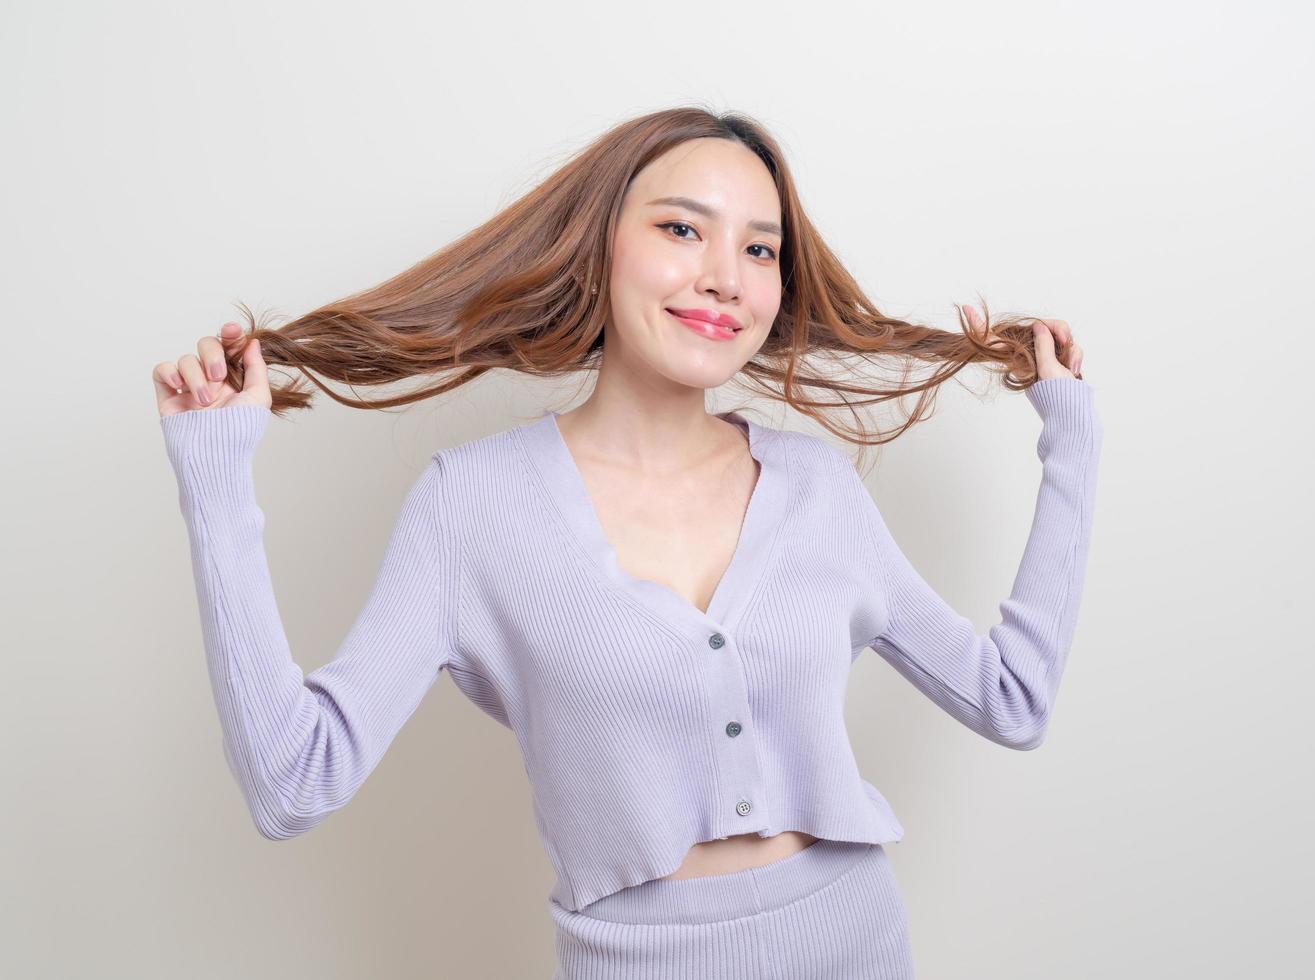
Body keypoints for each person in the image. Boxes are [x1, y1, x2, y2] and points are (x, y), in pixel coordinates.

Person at [151, 107, 1102, 979]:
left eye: (761, 249)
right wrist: (215, 473)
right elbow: (292, 780)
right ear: (598, 244)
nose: (727, 276)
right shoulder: (471, 509)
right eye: (682, 229)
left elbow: (1011, 701)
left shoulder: (818, 490)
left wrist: (1072, 441)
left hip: (853, 939)